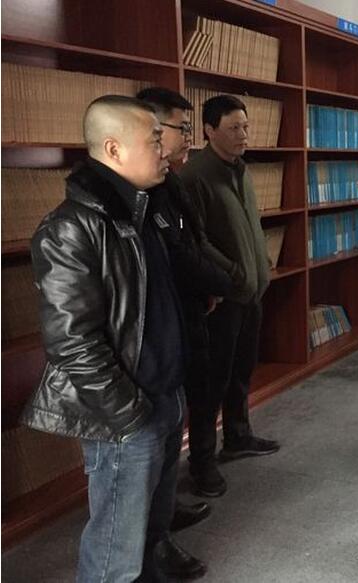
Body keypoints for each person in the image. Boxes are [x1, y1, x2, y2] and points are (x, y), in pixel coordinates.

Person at [20, 95, 205, 581]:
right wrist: (128, 415)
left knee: (152, 531)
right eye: (154, 141)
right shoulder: (70, 228)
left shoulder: (142, 210)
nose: (165, 151)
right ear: (113, 149)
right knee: (114, 555)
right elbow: (72, 342)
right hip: (126, 413)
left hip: (165, 394)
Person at [137, 87, 235, 531]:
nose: (187, 137)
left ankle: (171, 501)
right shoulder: (144, 193)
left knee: (194, 398)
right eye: (182, 128)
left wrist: (217, 281)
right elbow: (179, 255)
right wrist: (225, 280)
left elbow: (194, 241)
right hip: (167, 320)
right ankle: (162, 518)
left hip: (190, 308)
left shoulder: (170, 180)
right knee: (169, 416)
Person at [179, 95, 280, 498]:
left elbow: (248, 225)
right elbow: (196, 241)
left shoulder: (240, 169)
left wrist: (260, 262)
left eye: (245, 126)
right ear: (209, 130)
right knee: (211, 382)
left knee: (241, 371)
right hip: (222, 297)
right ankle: (202, 462)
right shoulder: (195, 176)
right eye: (234, 128)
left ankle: (238, 436)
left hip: (251, 292)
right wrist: (234, 273)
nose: (243, 135)